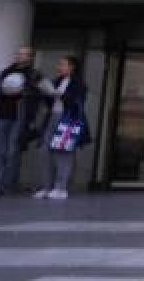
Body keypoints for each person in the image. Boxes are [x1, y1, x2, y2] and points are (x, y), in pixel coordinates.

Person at [0, 46, 43, 196]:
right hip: (3, 114)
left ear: (30, 58)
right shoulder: (6, 72)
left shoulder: (34, 75)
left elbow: (38, 97)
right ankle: (11, 183)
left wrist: (31, 115)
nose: (21, 56)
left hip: (20, 116)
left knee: (13, 151)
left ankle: (4, 186)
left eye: (25, 54)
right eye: (19, 54)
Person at [33, 55, 89, 200]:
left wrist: (58, 94)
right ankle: (46, 187)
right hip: (52, 117)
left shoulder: (78, 84)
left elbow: (74, 101)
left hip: (68, 120)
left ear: (72, 67)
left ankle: (61, 188)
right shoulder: (56, 81)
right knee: (44, 151)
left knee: (63, 153)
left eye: (63, 64)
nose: (59, 67)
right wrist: (45, 91)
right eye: (60, 64)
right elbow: (49, 101)